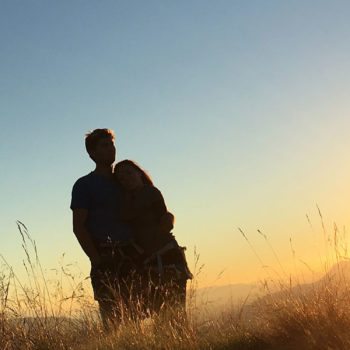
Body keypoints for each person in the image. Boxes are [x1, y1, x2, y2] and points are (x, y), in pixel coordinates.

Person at [70, 129, 142, 327]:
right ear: (92, 153)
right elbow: (79, 227)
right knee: (113, 324)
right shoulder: (84, 185)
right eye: (104, 145)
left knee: (135, 322)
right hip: (105, 257)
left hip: (134, 255)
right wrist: (97, 259)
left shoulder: (124, 180)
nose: (111, 149)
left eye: (112, 144)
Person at [114, 160, 192, 317]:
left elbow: (165, 220)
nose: (126, 179)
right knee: (163, 312)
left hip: (166, 256)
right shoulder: (126, 199)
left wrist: (166, 224)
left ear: (139, 173)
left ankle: (179, 340)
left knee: (173, 312)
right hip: (147, 261)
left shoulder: (150, 193)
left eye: (129, 173)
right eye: (121, 178)